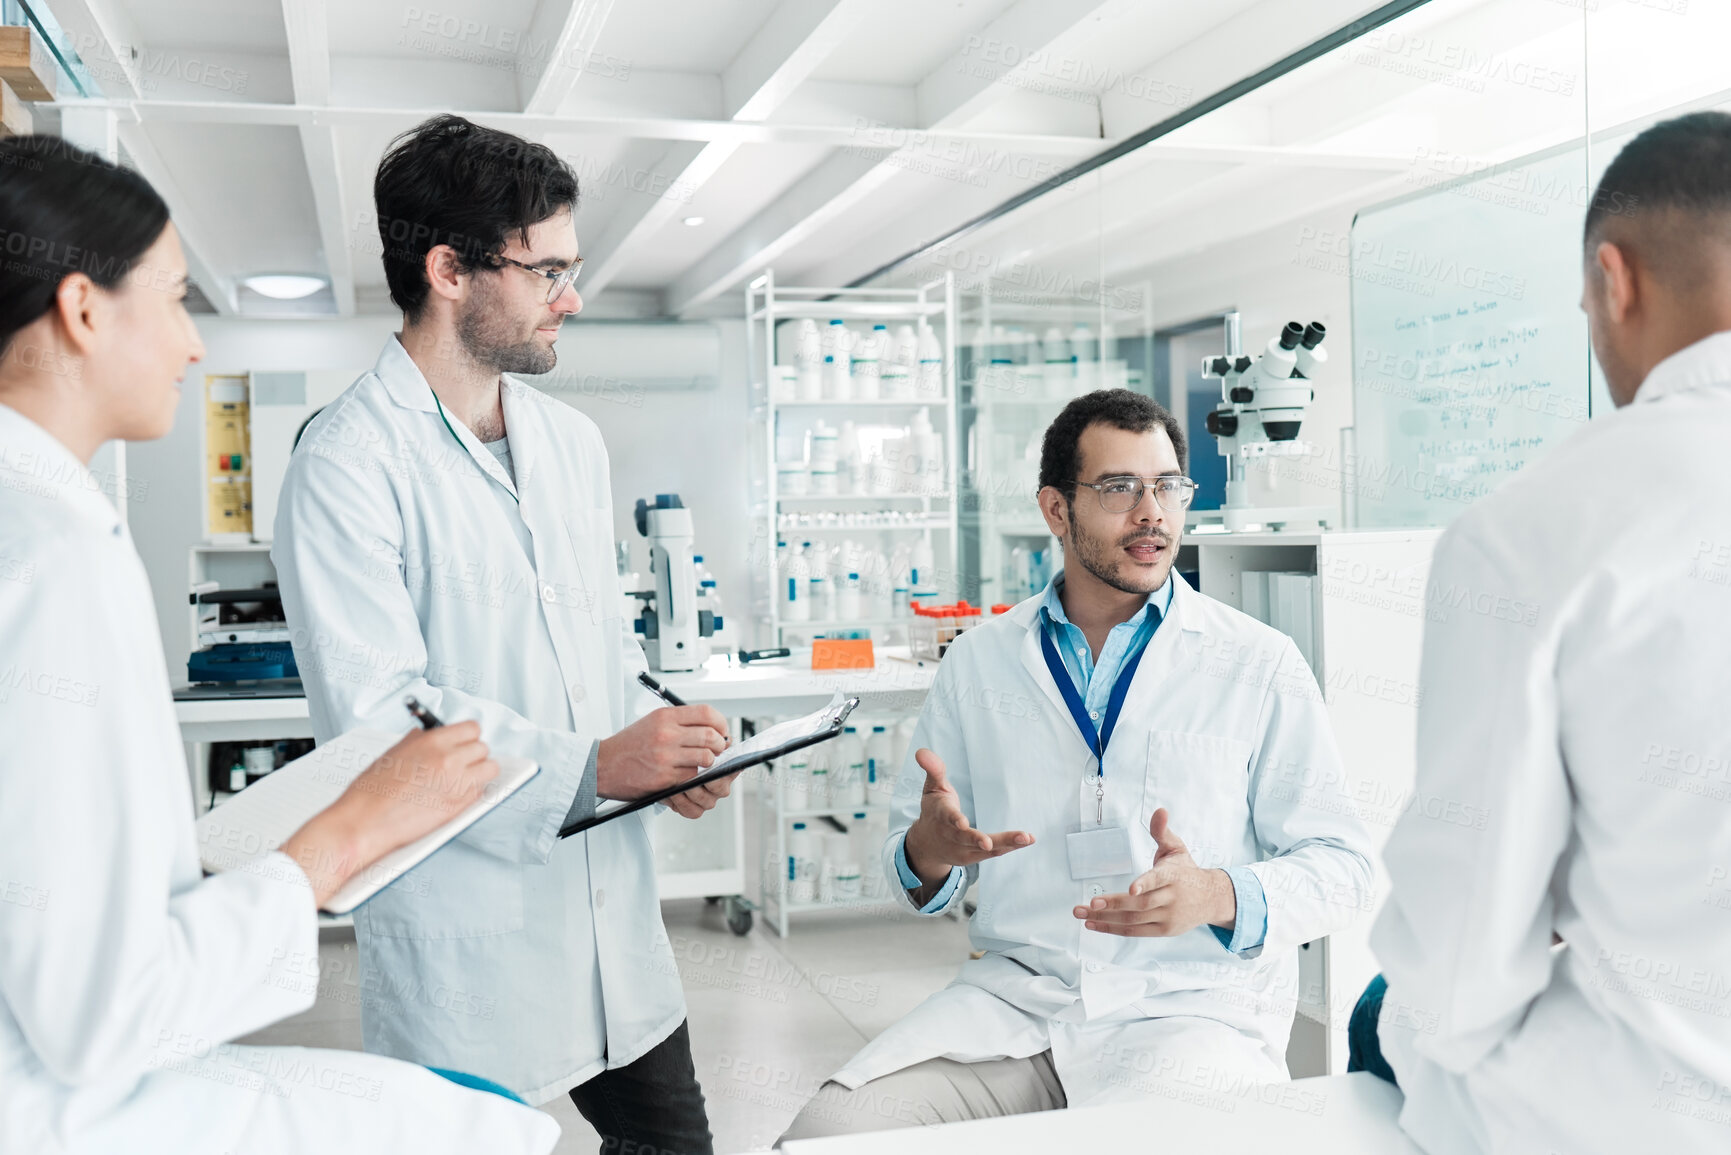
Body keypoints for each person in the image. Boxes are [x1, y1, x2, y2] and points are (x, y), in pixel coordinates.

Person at [0, 135, 559, 1154]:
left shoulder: (39, 525)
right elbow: (99, 1013)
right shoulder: (53, 561)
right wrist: (345, 833)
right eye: (174, 300)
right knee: (483, 1125)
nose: (193, 345)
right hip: (55, 1107)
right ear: (82, 312)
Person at [271, 115, 728, 1152]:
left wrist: (668, 743)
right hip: (467, 935)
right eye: (548, 270)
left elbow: (600, 650)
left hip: (614, 923)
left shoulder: (569, 444)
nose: (574, 297)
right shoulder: (346, 462)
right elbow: (381, 716)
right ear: (449, 270)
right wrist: (596, 763)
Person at [780, 389, 1375, 1139]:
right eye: (1120, 488)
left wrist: (1219, 892)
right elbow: (913, 868)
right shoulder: (979, 661)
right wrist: (926, 853)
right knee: (827, 1133)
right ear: (1055, 511)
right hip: (1016, 1005)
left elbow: (1348, 868)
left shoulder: (1255, 661)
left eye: (1167, 486)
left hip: (1184, 1013)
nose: (1151, 512)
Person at [1360, 111, 1731, 1154]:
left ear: (1616, 284)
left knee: (1383, 1012)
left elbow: (1462, 960)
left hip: (1655, 1110)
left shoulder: (1536, 527)